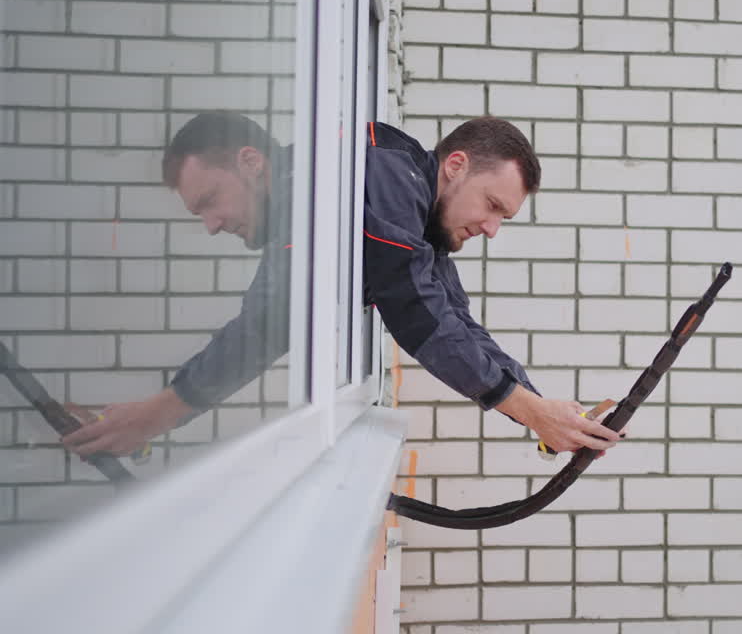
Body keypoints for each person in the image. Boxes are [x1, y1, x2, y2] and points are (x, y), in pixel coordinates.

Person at [63, 112, 620, 460]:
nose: (211, 223)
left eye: (210, 201)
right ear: (455, 166)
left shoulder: (397, 188)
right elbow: (278, 321)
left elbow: (450, 317)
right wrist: (160, 413)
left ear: (251, 163)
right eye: (492, 205)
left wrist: (538, 409)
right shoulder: (369, 181)